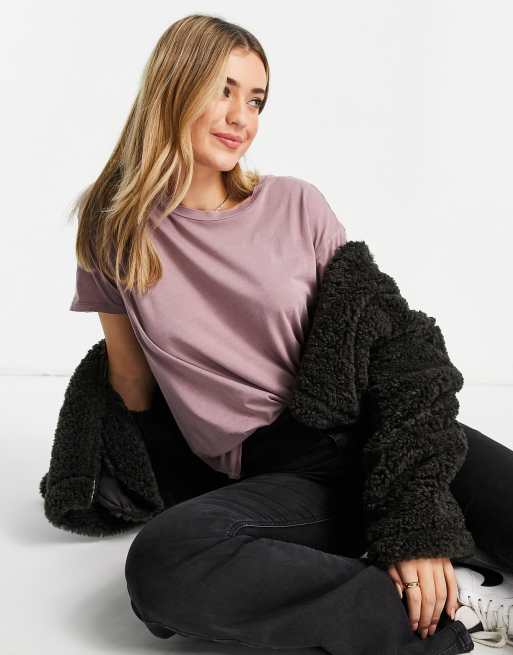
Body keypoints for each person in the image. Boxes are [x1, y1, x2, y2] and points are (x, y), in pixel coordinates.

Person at [67, 13, 513, 654]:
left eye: (256, 100)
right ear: (173, 85)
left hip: (390, 440)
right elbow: (131, 384)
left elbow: (398, 350)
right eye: (223, 90)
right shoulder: (112, 232)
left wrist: (415, 520)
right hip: (288, 478)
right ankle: (441, 612)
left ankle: (420, 555)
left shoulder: (297, 204)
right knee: (166, 561)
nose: (241, 118)